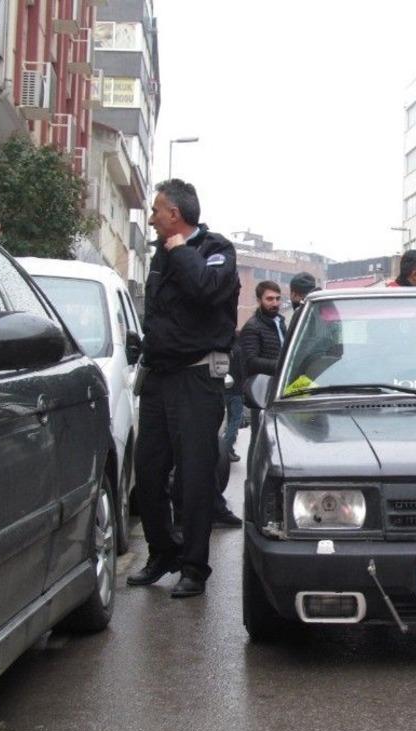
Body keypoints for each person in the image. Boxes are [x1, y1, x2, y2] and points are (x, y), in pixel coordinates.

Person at [127, 179, 240, 598]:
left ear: (174, 215)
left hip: (197, 377)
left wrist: (179, 250)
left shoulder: (217, 251)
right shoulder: (158, 254)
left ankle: (193, 566)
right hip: (158, 377)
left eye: (157, 210)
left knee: (193, 477)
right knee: (149, 472)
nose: (152, 217)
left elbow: (205, 290)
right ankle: (162, 553)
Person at [239, 280, 287, 445]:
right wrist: (283, 367)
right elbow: (251, 362)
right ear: (259, 300)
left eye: (277, 298)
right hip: (262, 392)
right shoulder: (252, 327)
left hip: (281, 390)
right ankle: (255, 471)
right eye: (270, 299)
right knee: (260, 440)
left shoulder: (281, 323)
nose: (275, 303)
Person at [222, 330, 245, 463]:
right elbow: (242, 371)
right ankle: (226, 446)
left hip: (225, 390)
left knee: (229, 419)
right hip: (236, 391)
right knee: (236, 419)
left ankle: (229, 450)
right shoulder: (238, 351)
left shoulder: (225, 351)